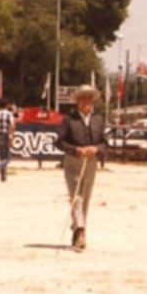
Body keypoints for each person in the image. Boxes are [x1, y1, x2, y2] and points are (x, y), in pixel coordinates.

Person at [56, 85, 105, 252]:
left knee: (86, 198)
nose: (87, 102)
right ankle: (81, 231)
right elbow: (59, 142)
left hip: (91, 162)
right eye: (83, 98)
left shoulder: (98, 119)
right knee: (76, 196)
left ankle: (77, 230)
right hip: (72, 162)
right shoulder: (69, 120)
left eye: (89, 98)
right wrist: (76, 150)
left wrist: (96, 149)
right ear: (77, 102)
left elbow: (105, 143)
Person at [0, 102, 16, 182]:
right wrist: (11, 136)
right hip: (5, 135)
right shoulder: (9, 114)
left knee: (2, 157)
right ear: (7, 106)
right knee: (8, 158)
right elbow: (12, 125)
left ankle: (3, 177)